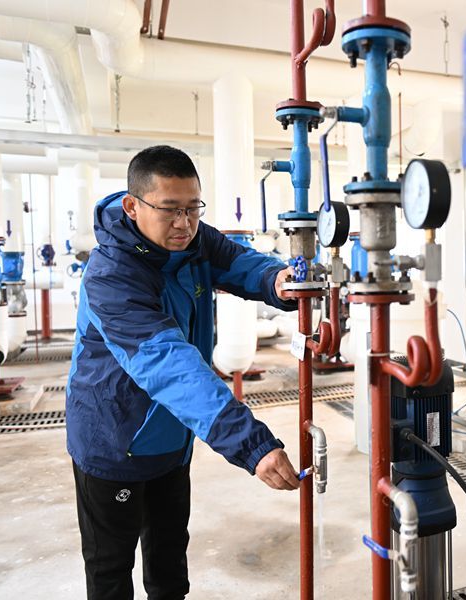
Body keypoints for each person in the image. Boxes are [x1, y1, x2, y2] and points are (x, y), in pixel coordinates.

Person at [66, 145, 299, 600]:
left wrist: (277, 280)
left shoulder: (194, 241)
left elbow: (240, 262)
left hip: (172, 439)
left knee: (170, 564)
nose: (184, 224)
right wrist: (250, 444)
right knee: (111, 571)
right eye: (170, 209)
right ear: (132, 206)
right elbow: (169, 365)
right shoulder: (111, 275)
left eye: (193, 208)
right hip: (113, 440)